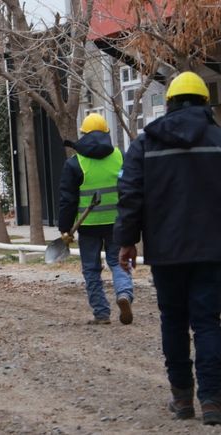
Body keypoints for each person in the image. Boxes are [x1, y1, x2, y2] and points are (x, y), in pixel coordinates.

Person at [114, 71, 221, 425]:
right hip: (212, 252)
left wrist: (127, 241)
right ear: (206, 104)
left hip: (166, 252)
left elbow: (130, 196)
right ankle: (212, 402)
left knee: (174, 321)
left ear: (169, 104)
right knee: (208, 322)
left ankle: (182, 400)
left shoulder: (145, 145)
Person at [58, 113, 134, 325]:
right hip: (116, 223)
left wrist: (64, 228)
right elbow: (130, 189)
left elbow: (67, 200)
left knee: (91, 269)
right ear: (107, 134)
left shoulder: (75, 163)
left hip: (88, 226)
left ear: (83, 134)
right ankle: (124, 294)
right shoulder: (120, 156)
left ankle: (101, 313)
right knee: (118, 262)